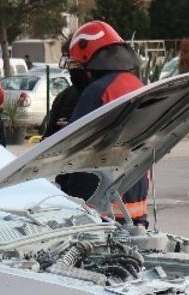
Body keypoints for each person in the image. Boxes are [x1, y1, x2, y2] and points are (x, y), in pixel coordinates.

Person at [61, 20, 150, 225]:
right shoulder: (137, 85)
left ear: (90, 61)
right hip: (136, 204)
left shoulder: (98, 91)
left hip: (101, 209)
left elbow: (73, 149)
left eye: (77, 64)